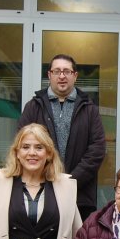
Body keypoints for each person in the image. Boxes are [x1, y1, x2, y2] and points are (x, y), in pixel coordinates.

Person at [18, 54, 106, 221]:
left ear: (75, 75)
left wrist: (70, 181)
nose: (62, 76)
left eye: (67, 71)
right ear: (49, 75)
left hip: (79, 195)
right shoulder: (33, 107)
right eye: (57, 71)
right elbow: (22, 144)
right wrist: (46, 178)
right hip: (39, 190)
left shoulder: (89, 109)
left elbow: (97, 150)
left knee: (77, 237)